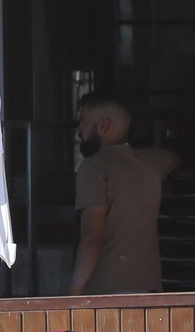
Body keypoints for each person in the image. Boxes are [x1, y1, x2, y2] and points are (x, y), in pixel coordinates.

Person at [68, 93, 181, 296]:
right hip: (150, 291)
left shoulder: (94, 167)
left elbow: (92, 237)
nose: (79, 130)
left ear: (103, 126)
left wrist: (73, 296)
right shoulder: (153, 161)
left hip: (107, 292)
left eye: (83, 121)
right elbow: (175, 158)